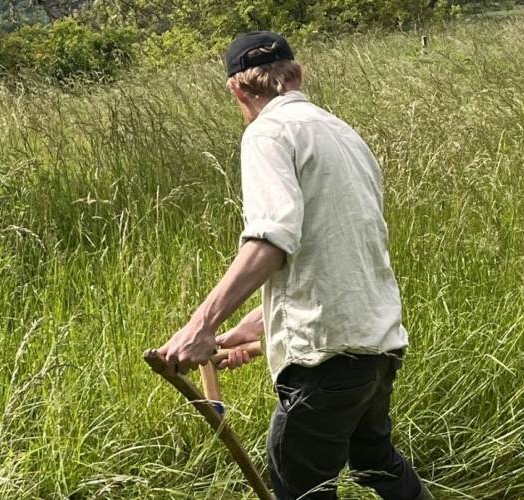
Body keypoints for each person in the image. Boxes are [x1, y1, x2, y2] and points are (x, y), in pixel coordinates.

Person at [157, 31, 434, 500]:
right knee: (375, 462)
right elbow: (336, 254)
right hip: (378, 347)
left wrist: (200, 325)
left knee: (298, 485)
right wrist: (255, 325)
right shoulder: (345, 134)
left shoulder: (267, 132)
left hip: (325, 358)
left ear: (237, 90)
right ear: (297, 74)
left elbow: (271, 239)